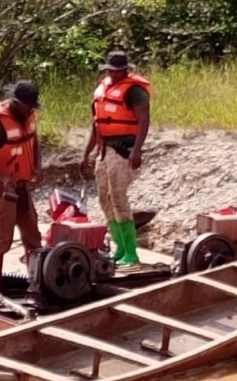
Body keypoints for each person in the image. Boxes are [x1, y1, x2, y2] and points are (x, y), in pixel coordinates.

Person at [81, 50, 151, 267]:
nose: (113, 73)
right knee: (104, 197)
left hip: (123, 150)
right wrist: (86, 154)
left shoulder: (134, 91)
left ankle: (131, 252)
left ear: (125, 70)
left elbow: (144, 118)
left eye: (117, 70)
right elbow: (97, 124)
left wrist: (137, 150)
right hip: (104, 149)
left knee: (117, 196)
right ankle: (119, 247)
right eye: (110, 70)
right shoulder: (104, 88)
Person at [0, 80, 43, 292]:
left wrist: (37, 167)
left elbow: (34, 141)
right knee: (3, 237)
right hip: (1, 186)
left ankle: (37, 283)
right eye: (27, 106)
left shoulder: (28, 117)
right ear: (16, 102)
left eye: (32, 107)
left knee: (32, 234)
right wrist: (4, 178)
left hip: (21, 184)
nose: (30, 110)